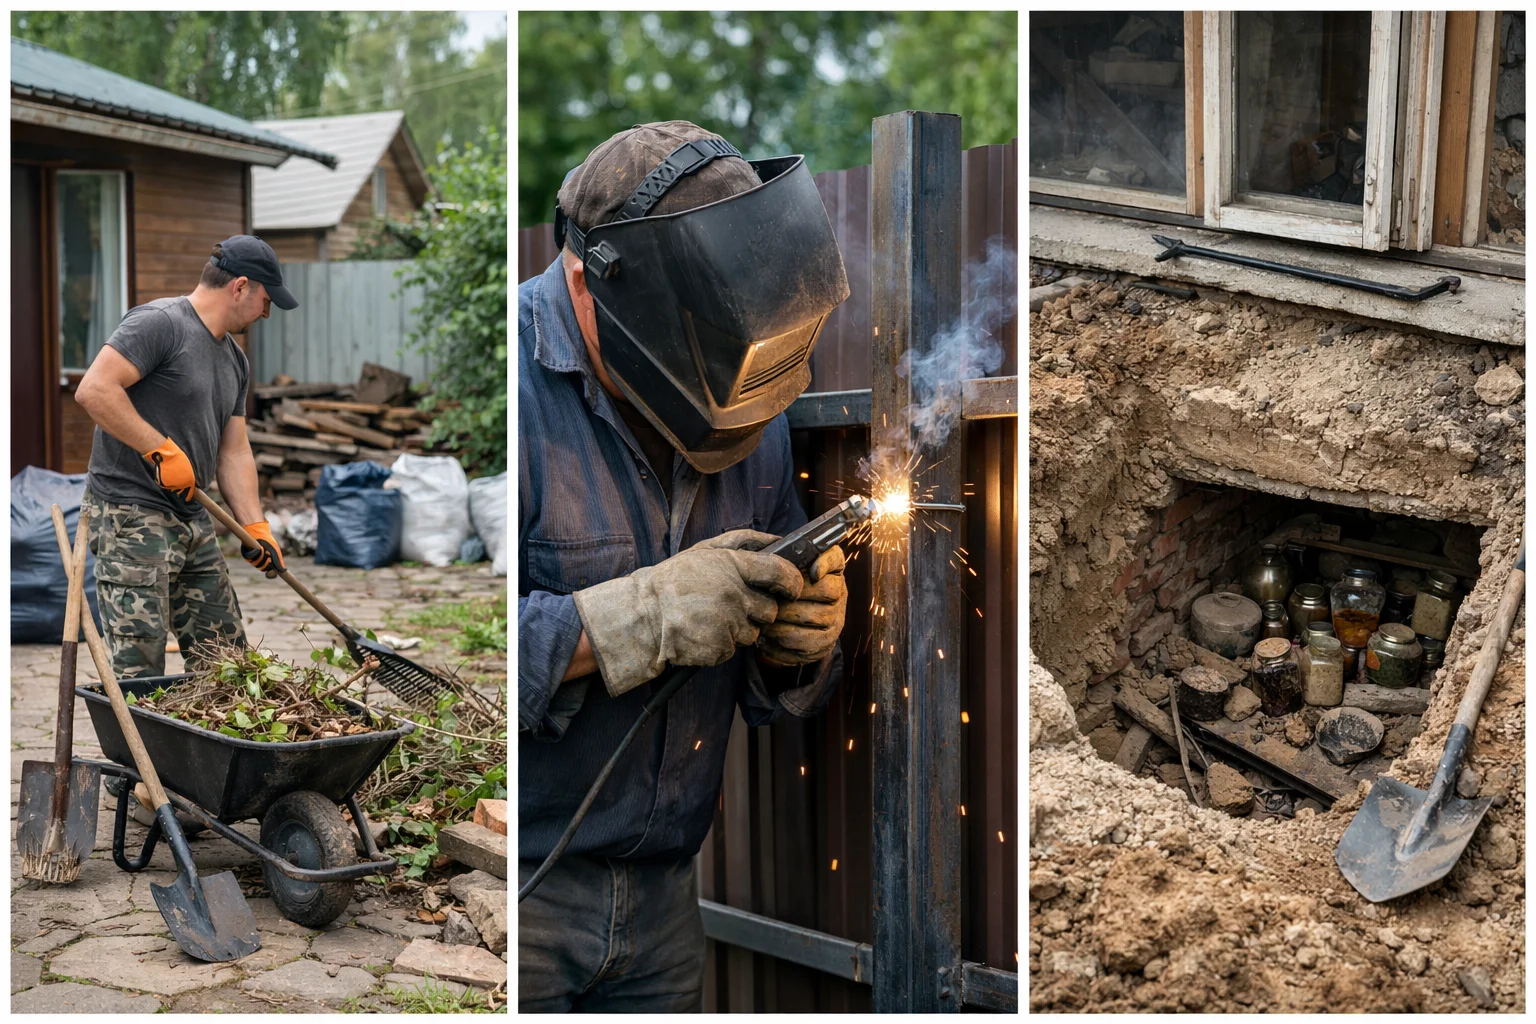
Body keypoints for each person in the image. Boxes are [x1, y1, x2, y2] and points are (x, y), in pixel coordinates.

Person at [518, 121, 852, 1012]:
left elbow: (760, 692)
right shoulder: (516, 389)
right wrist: (636, 619)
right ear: (592, 284)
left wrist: (796, 648)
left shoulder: (746, 398)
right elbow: (457, 682)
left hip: (667, 904)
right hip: (519, 899)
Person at [74, 235, 293, 679]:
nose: (266, 313)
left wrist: (255, 525)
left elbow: (234, 451)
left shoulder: (235, 360)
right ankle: (138, 750)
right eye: (266, 301)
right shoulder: (160, 323)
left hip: (193, 518)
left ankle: (215, 748)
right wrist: (158, 448)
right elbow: (94, 389)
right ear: (240, 286)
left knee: (226, 662)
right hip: (130, 516)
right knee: (142, 669)